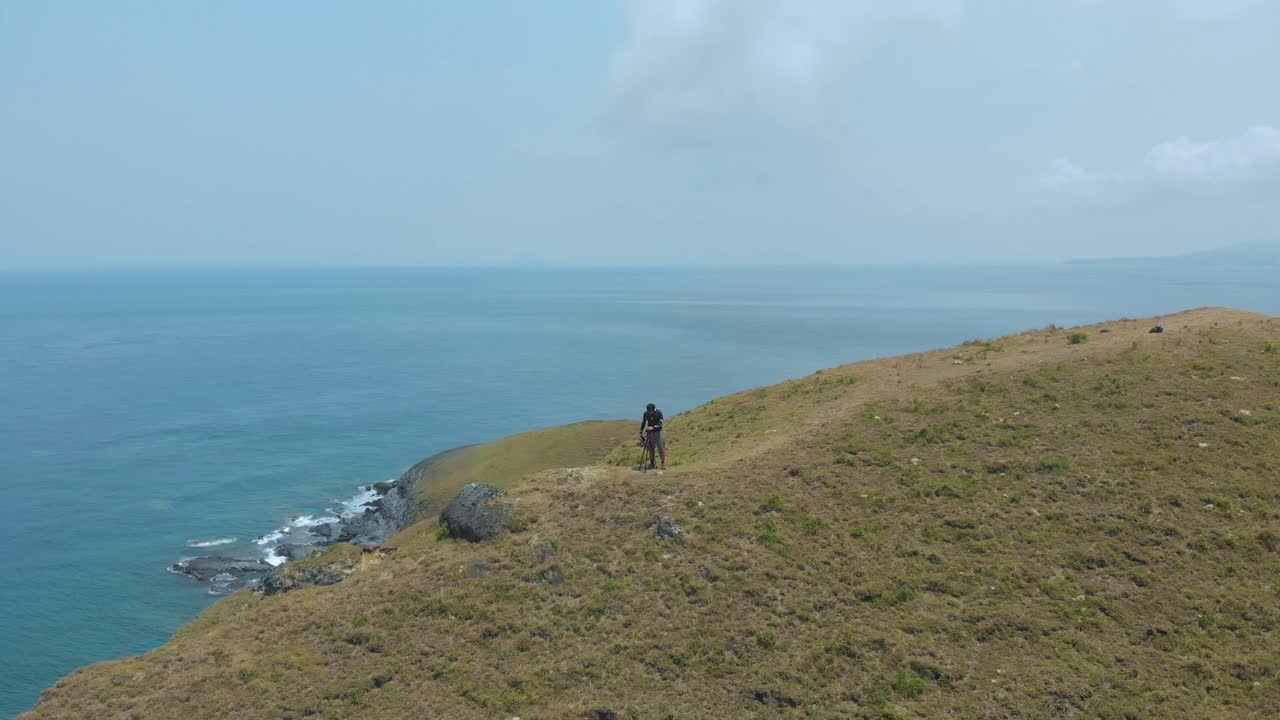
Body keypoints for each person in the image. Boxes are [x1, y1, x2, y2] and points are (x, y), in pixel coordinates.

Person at [640, 402, 666, 470]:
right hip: (650, 433)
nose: (650, 412)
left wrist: (653, 427)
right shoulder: (646, 414)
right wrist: (641, 431)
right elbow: (643, 422)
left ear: (654, 409)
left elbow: (661, 423)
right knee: (650, 448)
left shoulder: (659, 412)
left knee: (660, 448)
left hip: (658, 432)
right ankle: (652, 464)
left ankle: (663, 463)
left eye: (651, 411)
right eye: (649, 411)